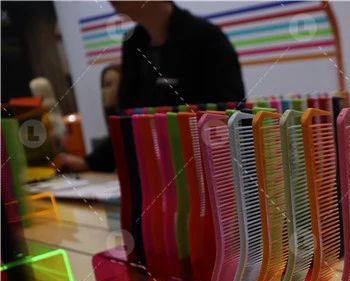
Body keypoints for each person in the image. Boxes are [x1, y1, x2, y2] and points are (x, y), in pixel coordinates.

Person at [56, 1, 245, 172]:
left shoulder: (206, 38)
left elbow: (229, 113)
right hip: (153, 172)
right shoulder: (133, 42)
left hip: (207, 171)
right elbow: (128, 119)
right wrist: (91, 162)